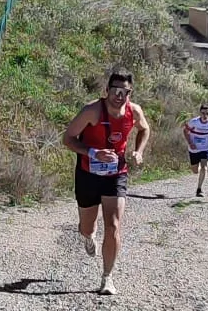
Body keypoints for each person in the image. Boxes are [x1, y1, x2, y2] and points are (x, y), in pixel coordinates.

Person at [62, 67, 151, 295]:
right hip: (88, 173)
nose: (119, 96)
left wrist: (138, 151)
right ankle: (88, 236)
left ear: (130, 94)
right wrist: (93, 153)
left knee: (113, 225)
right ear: (107, 90)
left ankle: (107, 278)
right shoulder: (92, 111)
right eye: (115, 90)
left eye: (125, 92)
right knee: (87, 226)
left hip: (116, 174)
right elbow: (68, 138)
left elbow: (145, 129)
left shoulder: (134, 111)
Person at [182, 101, 208, 198]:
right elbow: (185, 131)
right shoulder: (194, 122)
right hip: (194, 148)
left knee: (205, 167)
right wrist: (190, 143)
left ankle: (199, 189)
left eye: (207, 113)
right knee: (195, 171)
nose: (205, 115)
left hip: (206, 148)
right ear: (200, 113)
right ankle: (198, 169)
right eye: (203, 113)